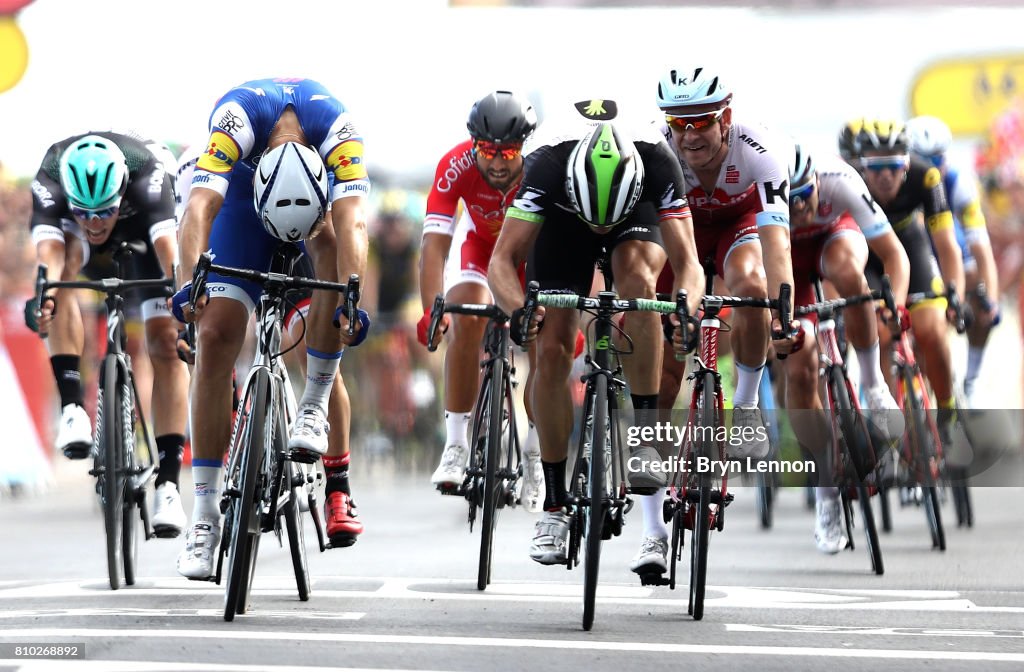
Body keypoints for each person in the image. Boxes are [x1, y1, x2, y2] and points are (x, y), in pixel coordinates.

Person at [489, 103, 705, 567]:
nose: (600, 231)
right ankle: (553, 503)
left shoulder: (657, 160)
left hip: (636, 213)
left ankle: (645, 430)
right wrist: (519, 310)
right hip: (564, 222)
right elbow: (501, 263)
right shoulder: (544, 166)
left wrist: (685, 308)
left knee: (640, 284)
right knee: (551, 347)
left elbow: (689, 263)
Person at [172, 78, 370, 579]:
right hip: (241, 207)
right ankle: (205, 516)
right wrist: (187, 290)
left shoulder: (339, 131)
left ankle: (313, 409)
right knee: (216, 336)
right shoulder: (235, 121)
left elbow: (353, 224)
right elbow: (198, 208)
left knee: (326, 289)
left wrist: (350, 297)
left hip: (316, 218)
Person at [639, 67, 802, 575]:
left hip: (736, 229)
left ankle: (747, 408)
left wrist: (782, 313)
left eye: (702, 122)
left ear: (725, 117)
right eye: (678, 123)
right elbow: (640, 245)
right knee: (661, 384)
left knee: (752, 288)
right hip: (679, 234)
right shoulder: (654, 151)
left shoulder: (761, 150)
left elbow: (778, 243)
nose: (689, 136)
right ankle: (651, 531)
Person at [27, 131, 189, 537]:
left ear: (119, 193)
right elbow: (48, 258)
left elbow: (171, 258)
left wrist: (185, 310)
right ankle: (72, 408)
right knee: (59, 281)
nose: (94, 222)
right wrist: (42, 297)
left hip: (144, 233)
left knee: (165, 345)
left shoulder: (148, 181)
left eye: (102, 212)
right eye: (85, 212)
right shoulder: (50, 178)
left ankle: (167, 484)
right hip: (80, 245)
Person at [417, 91, 547, 511]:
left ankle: (535, 450)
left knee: (549, 345)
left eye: (508, 151)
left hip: (531, 258)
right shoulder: (454, 166)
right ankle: (455, 443)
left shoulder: (543, 169)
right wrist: (431, 310)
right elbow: (434, 247)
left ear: (523, 147)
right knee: (465, 317)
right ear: (474, 144)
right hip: (478, 250)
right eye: (487, 150)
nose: (496, 161)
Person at [784, 144, 910, 553]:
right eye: (789, 202)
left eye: (804, 198)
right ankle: (825, 497)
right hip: (785, 260)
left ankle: (873, 385)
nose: (799, 210)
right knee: (799, 368)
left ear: (817, 183)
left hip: (833, 239)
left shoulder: (841, 181)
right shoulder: (765, 199)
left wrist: (897, 305)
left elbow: (893, 253)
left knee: (850, 275)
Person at [843, 119, 966, 448]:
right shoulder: (847, 180)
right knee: (879, 331)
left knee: (930, 329)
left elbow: (946, 245)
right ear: (861, 167)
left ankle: (947, 408)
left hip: (913, 246)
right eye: (876, 166)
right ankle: (888, 420)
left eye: (894, 166)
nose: (885, 175)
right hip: (870, 257)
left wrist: (954, 295)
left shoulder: (926, 176)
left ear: (906, 165)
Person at [906, 115, 1001, 408]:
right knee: (922, 334)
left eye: (939, 158)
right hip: (917, 254)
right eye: (926, 160)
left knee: (978, 291)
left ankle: (971, 380)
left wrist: (992, 302)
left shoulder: (959, 182)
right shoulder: (902, 184)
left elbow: (981, 248)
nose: (934, 167)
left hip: (953, 251)